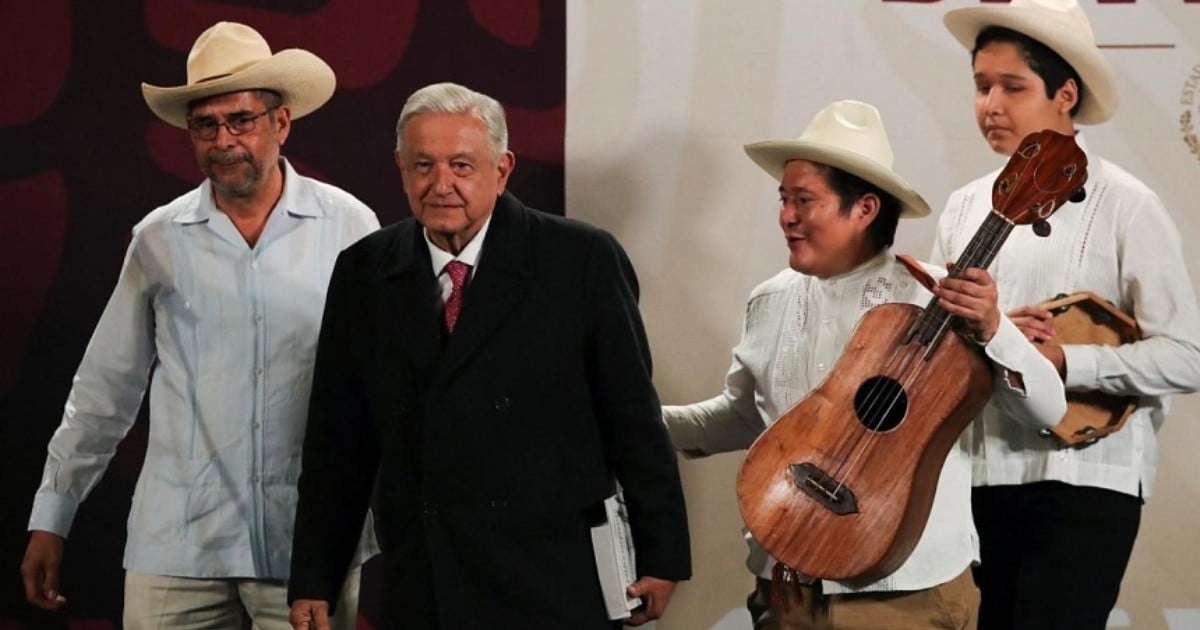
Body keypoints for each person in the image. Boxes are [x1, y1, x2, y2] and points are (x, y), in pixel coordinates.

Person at [285, 81, 691, 629]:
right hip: (426, 577)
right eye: (423, 165)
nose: (441, 184)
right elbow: (338, 442)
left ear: (502, 170)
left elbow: (634, 419)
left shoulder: (580, 259)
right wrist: (316, 574)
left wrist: (661, 553)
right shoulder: (365, 271)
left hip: (552, 574)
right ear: (401, 170)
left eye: (462, 165)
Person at [19, 21, 380, 630]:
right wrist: (53, 514)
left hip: (306, 549)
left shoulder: (350, 228)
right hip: (178, 546)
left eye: (240, 120)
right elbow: (106, 390)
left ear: (280, 123)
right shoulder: (158, 239)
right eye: (205, 125)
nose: (223, 140)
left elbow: (388, 387)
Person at [663, 99, 1068, 629]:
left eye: (804, 200)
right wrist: (626, 417)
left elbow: (1047, 410)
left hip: (907, 595)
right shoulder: (769, 300)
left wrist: (993, 328)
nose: (786, 215)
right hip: (788, 589)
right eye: (783, 198)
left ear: (865, 209)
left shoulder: (942, 299)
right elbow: (744, 418)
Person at [932, 1, 1200, 627]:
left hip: (1087, 481)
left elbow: (1187, 354)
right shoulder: (963, 206)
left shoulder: (1127, 203)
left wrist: (1059, 356)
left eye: (1012, 86)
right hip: (977, 478)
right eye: (981, 86)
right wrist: (976, 333)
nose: (990, 105)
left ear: (1066, 94)